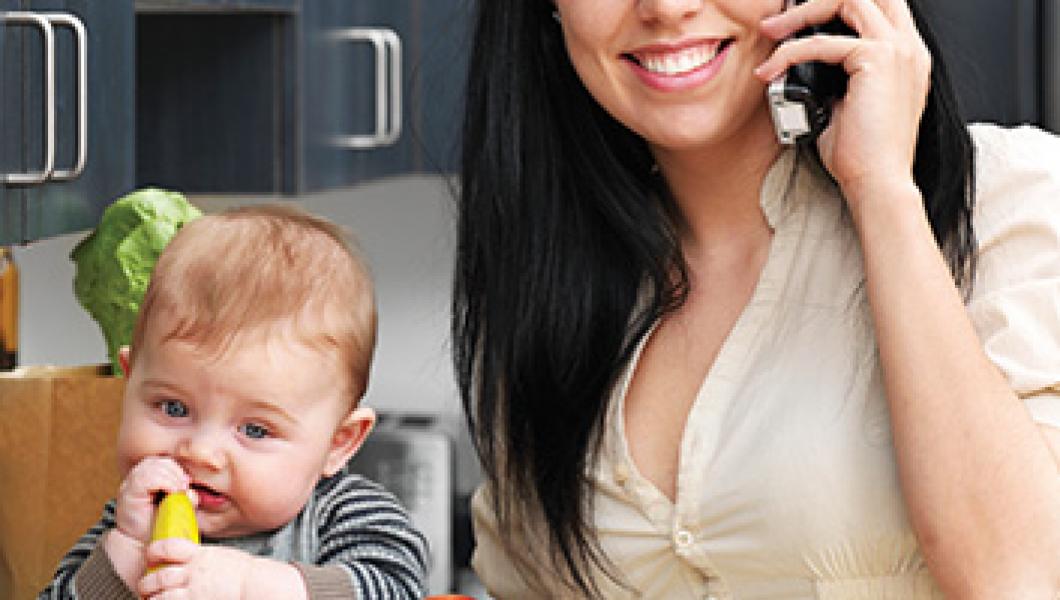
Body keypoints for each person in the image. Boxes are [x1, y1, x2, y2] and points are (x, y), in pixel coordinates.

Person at [452, 0, 1060, 597]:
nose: (667, 8)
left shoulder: (1006, 203)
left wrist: (880, 188)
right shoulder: (551, 293)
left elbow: (1018, 579)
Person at [41, 205, 429, 599]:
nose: (201, 453)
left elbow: (397, 588)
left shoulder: (345, 515)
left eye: (255, 430)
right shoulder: (130, 522)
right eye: (174, 408)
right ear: (129, 385)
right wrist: (125, 558)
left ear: (338, 443)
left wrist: (255, 586)